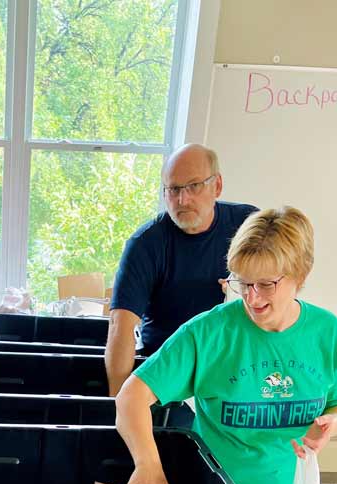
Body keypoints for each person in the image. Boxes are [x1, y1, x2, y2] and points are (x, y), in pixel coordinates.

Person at [115, 206, 337, 484]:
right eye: (242, 283)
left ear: (301, 275)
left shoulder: (326, 332)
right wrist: (148, 465)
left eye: (266, 284)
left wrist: (332, 422)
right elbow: (130, 397)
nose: (252, 298)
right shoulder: (209, 333)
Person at [106, 144, 258, 414]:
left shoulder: (248, 226)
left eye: (194, 186)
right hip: (170, 374)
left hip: (239, 370)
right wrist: (119, 409)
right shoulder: (146, 244)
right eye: (173, 189)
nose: (182, 199)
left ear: (217, 186)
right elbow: (121, 327)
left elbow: (280, 291)